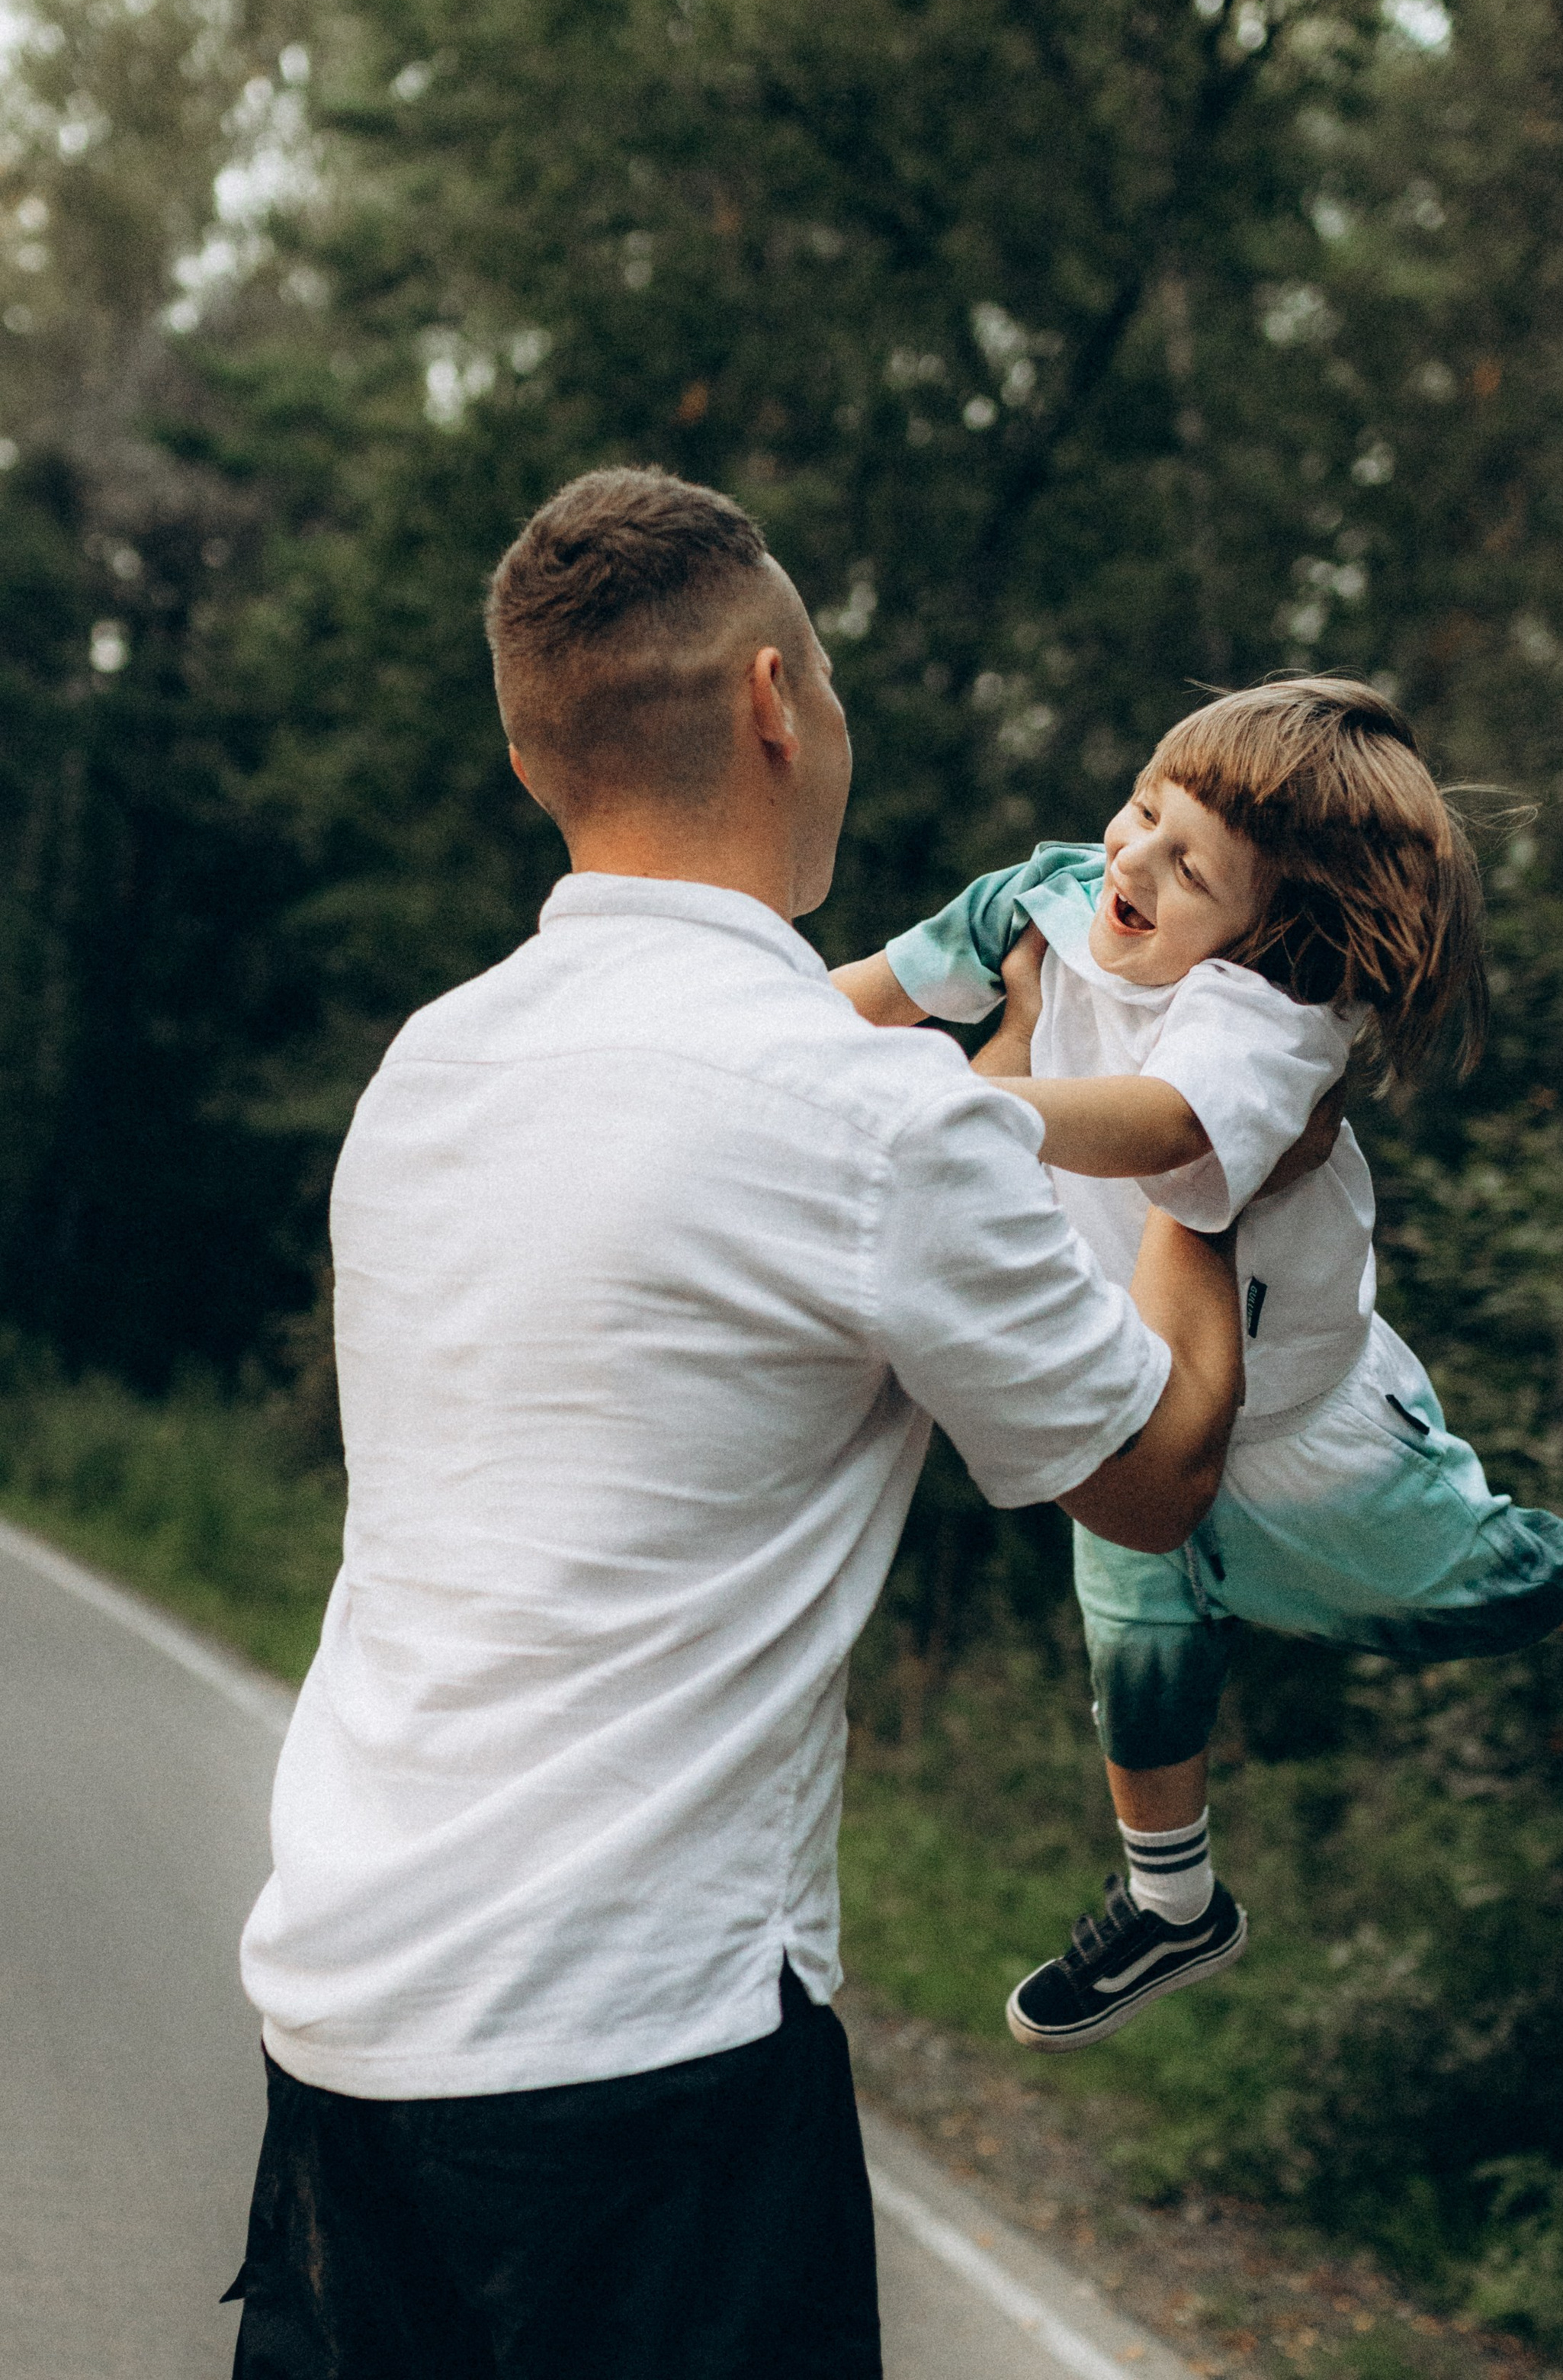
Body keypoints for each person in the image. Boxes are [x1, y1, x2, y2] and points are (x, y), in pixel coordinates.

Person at [226, 466, 1260, 2380]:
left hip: (345, 2031)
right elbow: (1156, 1462)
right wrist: (1219, 1121)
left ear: (545, 759)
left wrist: (999, 1080)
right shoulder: (863, 1122)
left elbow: (806, 1202)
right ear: (776, 700)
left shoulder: (431, 1063)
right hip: (639, 2067)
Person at [833, 676, 1563, 2054]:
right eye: (1143, 808)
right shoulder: (1046, 900)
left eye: (1191, 868)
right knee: (1136, 1654)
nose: (1132, 860)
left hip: (1307, 1434)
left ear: (1275, 929)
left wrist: (961, 1101)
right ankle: (1172, 1899)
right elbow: (859, 1004)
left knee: (1498, 1581)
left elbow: (1162, 1127)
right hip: (1139, 1386)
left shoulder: (1268, 1018)